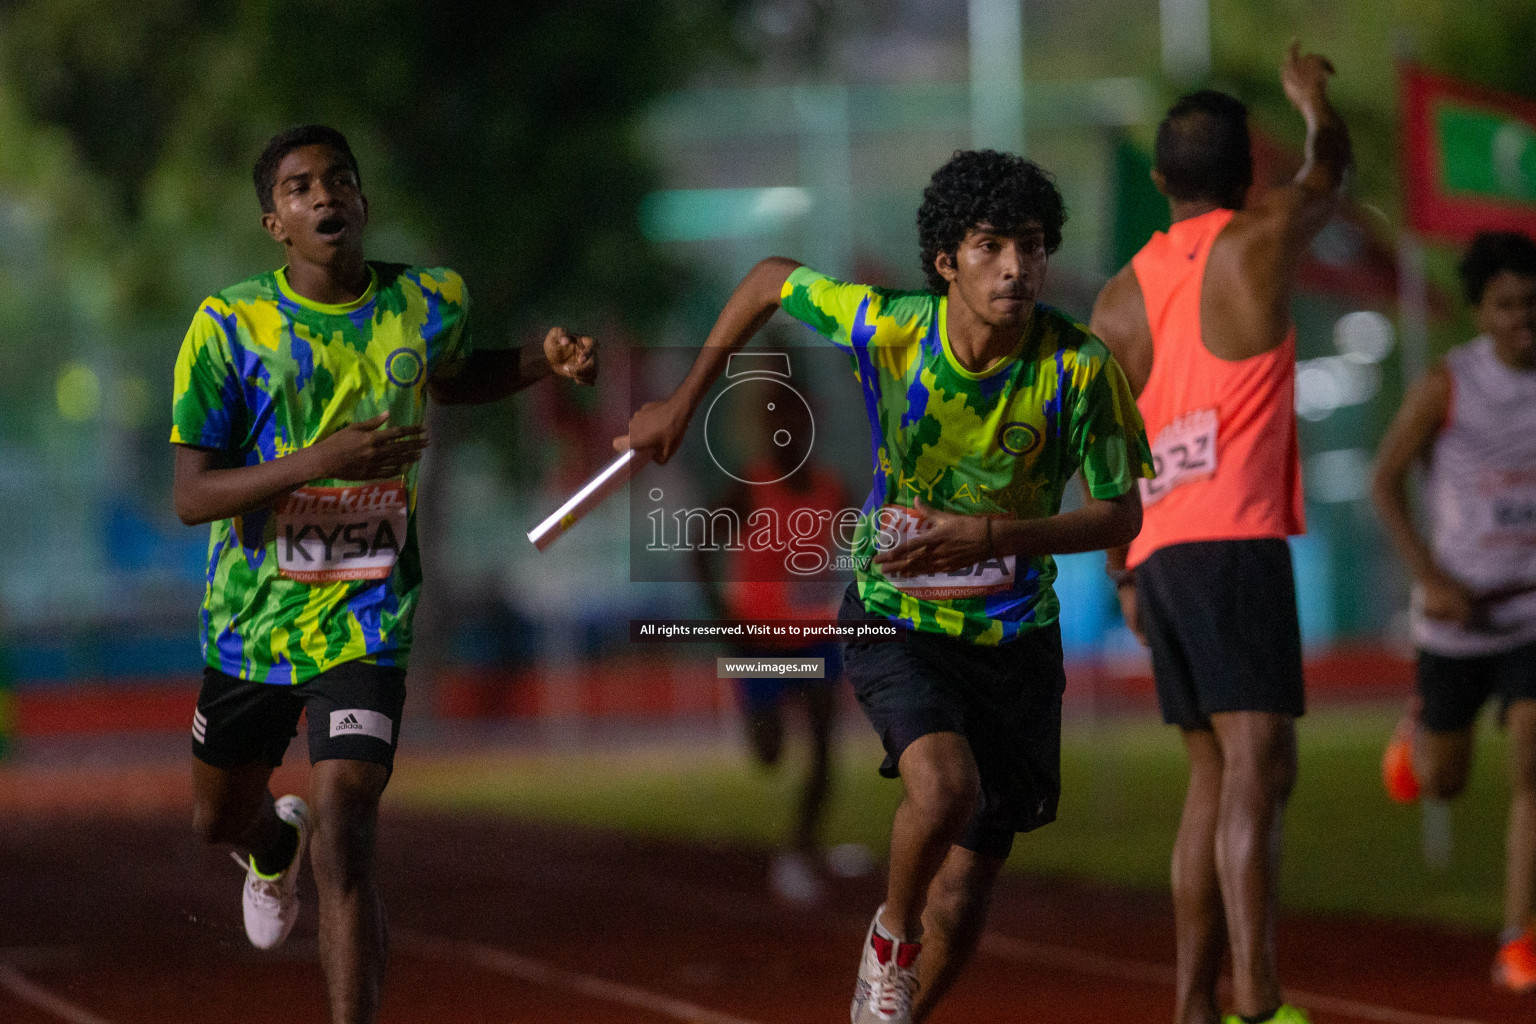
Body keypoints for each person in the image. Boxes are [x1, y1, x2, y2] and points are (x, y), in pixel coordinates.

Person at [619, 148, 1151, 1024]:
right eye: (989, 246)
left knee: (973, 877)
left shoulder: (1080, 369)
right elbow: (768, 278)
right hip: (895, 614)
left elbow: (1119, 515)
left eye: (1030, 246)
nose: (1015, 267)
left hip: (1015, 635)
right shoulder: (890, 328)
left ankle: (896, 1009)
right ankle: (890, 938)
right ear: (946, 260)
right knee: (943, 789)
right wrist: (681, 404)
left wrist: (988, 536)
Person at [170, 124, 595, 1024]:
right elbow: (192, 495)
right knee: (217, 820)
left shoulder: (426, 300)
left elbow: (451, 377)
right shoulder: (228, 327)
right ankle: (267, 842)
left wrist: (535, 363)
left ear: (363, 202)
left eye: (339, 180)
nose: (324, 196)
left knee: (349, 823)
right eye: (299, 188)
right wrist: (318, 460)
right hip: (253, 620)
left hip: (368, 613)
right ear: (273, 223)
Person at [1089, 44, 1351, 1024]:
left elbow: (1100, 440)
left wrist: (1122, 569)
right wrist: (1314, 102)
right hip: (1235, 539)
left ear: (1161, 181)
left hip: (1158, 550)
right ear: (1245, 172)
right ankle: (1261, 1000)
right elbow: (1330, 173)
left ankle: (1195, 1004)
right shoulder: (1265, 230)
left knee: (1216, 772)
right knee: (1255, 762)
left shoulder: (1117, 294)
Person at [1375, 231, 1536, 993]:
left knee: (1532, 764)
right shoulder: (1449, 383)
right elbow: (1384, 481)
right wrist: (1431, 578)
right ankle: (1419, 728)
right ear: (1479, 311)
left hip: (1530, 612)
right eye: (1506, 305)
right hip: (1457, 619)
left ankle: (1517, 937)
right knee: (1443, 782)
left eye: (1533, 304)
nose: (1522, 318)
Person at [694, 419, 849, 906]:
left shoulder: (832, 489)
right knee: (769, 754)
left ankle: (798, 852)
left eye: (799, 428)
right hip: (757, 641)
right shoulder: (749, 485)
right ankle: (759, 717)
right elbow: (702, 544)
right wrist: (720, 615)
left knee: (825, 753)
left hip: (815, 636)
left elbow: (866, 545)